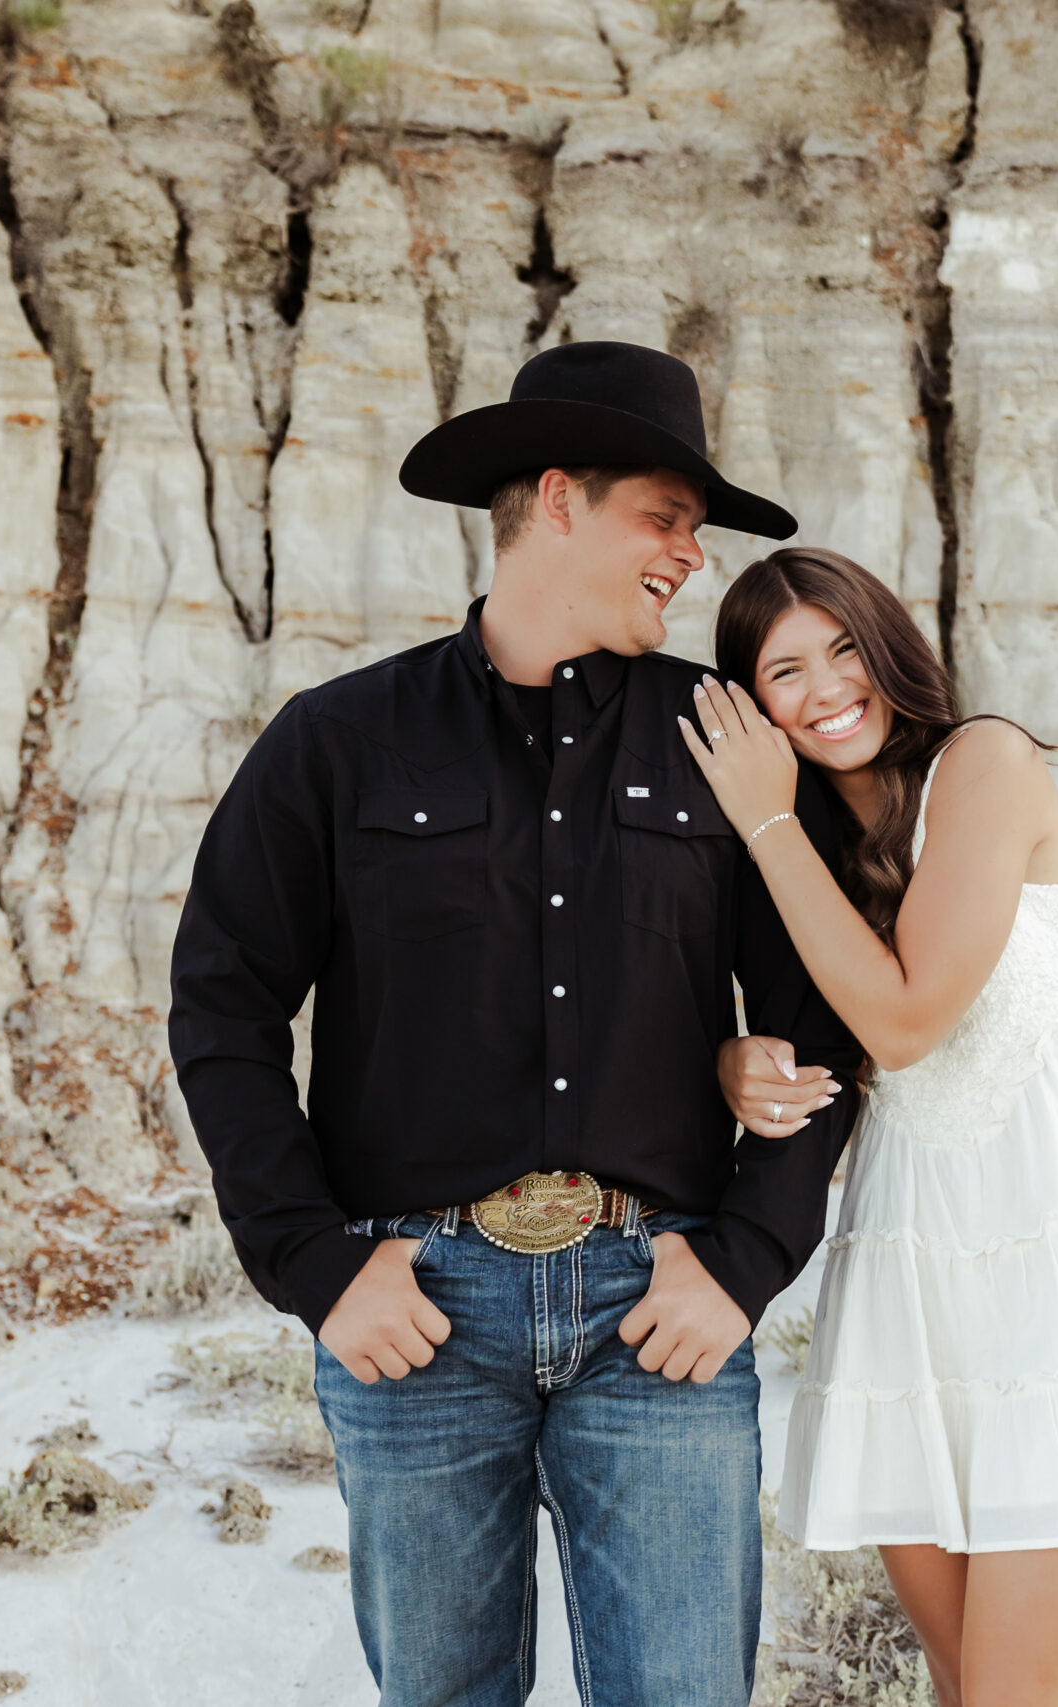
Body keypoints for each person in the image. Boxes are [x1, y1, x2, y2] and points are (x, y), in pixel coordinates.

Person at [166, 343, 862, 1706]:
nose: (689, 556)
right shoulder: (338, 739)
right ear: (557, 496)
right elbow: (223, 999)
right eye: (666, 517)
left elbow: (814, 1005)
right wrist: (311, 1261)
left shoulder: (721, 740)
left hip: (655, 1309)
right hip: (413, 1313)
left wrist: (746, 1258)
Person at [682, 547, 1058, 1707]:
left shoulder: (983, 764)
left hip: (1056, 1263)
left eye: (845, 647)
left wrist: (761, 822)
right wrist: (728, 1059)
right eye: (785, 671)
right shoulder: (811, 854)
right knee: (963, 1689)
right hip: (915, 1271)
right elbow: (826, 1034)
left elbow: (905, 1019)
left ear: (892, 647)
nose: (827, 687)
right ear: (757, 710)